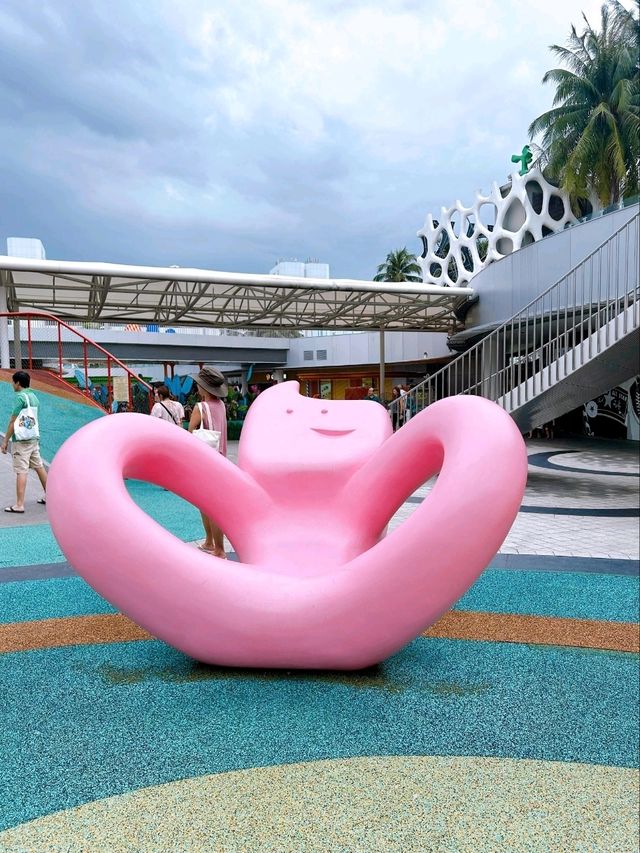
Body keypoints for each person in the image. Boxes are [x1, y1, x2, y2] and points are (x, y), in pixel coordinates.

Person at [188, 367, 228, 558]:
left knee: (211, 506)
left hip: (205, 462)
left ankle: (218, 549)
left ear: (203, 387)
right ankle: (210, 542)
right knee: (207, 504)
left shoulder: (200, 407)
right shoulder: (221, 405)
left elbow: (190, 431)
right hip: (220, 458)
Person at [1, 371, 47, 513]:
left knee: (21, 470)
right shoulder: (34, 397)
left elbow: (13, 420)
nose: (12, 384)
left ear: (18, 383)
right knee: (39, 467)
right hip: (33, 437)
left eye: (13, 382)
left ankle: (19, 505)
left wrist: (5, 441)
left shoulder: (20, 397)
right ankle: (50, 495)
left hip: (21, 440)